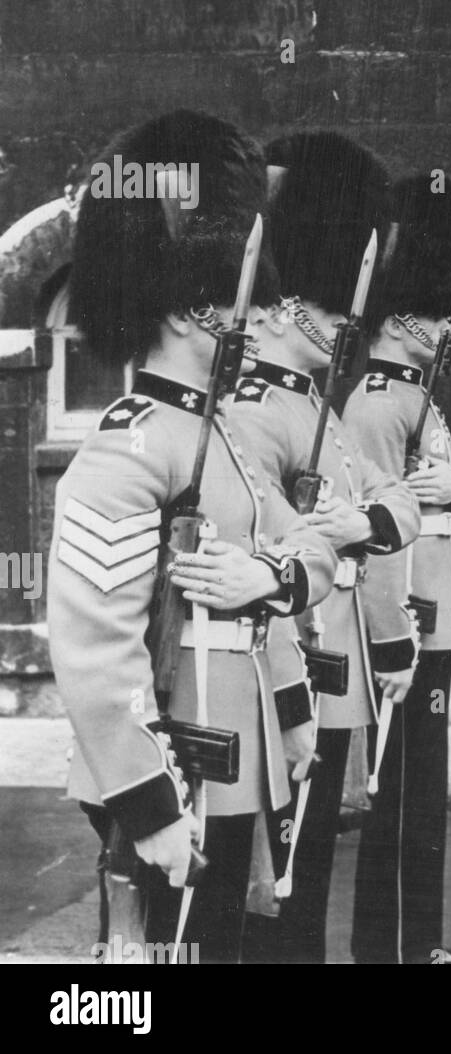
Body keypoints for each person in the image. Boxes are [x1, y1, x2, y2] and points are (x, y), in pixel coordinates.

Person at [47, 112, 338, 962]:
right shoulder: (127, 449)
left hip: (240, 755)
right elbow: (97, 654)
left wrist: (266, 582)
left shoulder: (231, 439)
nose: (247, 323)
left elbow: (312, 550)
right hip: (169, 769)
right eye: (229, 305)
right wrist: (150, 807)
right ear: (182, 311)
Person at [234, 132, 422, 964]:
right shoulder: (251, 410)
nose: (349, 320)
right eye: (332, 305)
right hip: (284, 680)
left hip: (333, 677)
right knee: (267, 895)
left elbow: (389, 508)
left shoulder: (320, 405)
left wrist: (365, 527)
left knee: (305, 886)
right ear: (283, 303)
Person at [345, 173, 451, 966]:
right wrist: (392, 640)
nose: (449, 327)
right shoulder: (378, 402)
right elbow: (374, 537)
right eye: (439, 315)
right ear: (404, 319)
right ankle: (391, 953)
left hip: (435, 611)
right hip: (402, 616)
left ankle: (421, 945)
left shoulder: (416, 395)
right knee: (395, 798)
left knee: (420, 798)